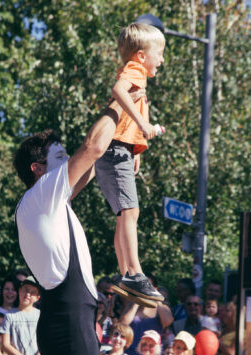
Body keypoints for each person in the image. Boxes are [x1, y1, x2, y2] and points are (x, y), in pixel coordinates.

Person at [13, 87, 145, 355]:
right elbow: (93, 148)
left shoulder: (50, 203)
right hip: (70, 324)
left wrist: (123, 150)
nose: (70, 158)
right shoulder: (40, 196)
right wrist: (123, 100)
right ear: (38, 169)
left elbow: (93, 163)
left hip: (66, 320)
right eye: (61, 156)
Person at [95, 22, 165, 303]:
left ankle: (126, 272)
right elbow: (118, 91)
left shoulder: (138, 73)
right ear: (140, 56)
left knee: (125, 215)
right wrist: (143, 124)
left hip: (120, 150)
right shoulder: (136, 71)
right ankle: (134, 273)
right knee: (130, 213)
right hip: (116, 151)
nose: (161, 59)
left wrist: (136, 150)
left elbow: (124, 116)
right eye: (158, 53)